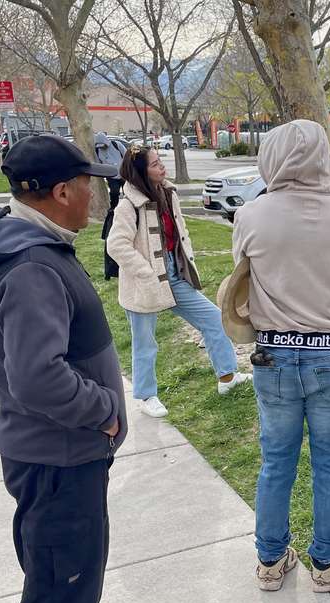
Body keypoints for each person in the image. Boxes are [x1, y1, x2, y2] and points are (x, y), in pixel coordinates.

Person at [0, 134, 139, 603]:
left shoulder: (16, 239)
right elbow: (37, 377)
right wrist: (104, 410)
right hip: (58, 453)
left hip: (44, 450)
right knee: (60, 584)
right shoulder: (31, 266)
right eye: (87, 186)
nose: (93, 197)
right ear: (61, 192)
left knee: (63, 565)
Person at [232, 120, 330, 594]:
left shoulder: (251, 214)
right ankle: (326, 562)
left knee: (276, 461)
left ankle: (270, 559)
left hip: (275, 354)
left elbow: (243, 272)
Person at [106, 145, 251, 418]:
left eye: (161, 161)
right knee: (145, 343)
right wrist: (146, 271)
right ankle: (147, 396)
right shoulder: (128, 205)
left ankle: (228, 378)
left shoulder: (167, 192)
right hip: (144, 284)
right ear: (140, 173)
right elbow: (116, 245)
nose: (162, 167)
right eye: (155, 164)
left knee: (215, 320)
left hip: (174, 276)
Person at [95, 132, 126, 280]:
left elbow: (126, 157)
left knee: (127, 191)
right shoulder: (97, 151)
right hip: (112, 177)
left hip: (123, 174)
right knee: (114, 193)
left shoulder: (116, 145)